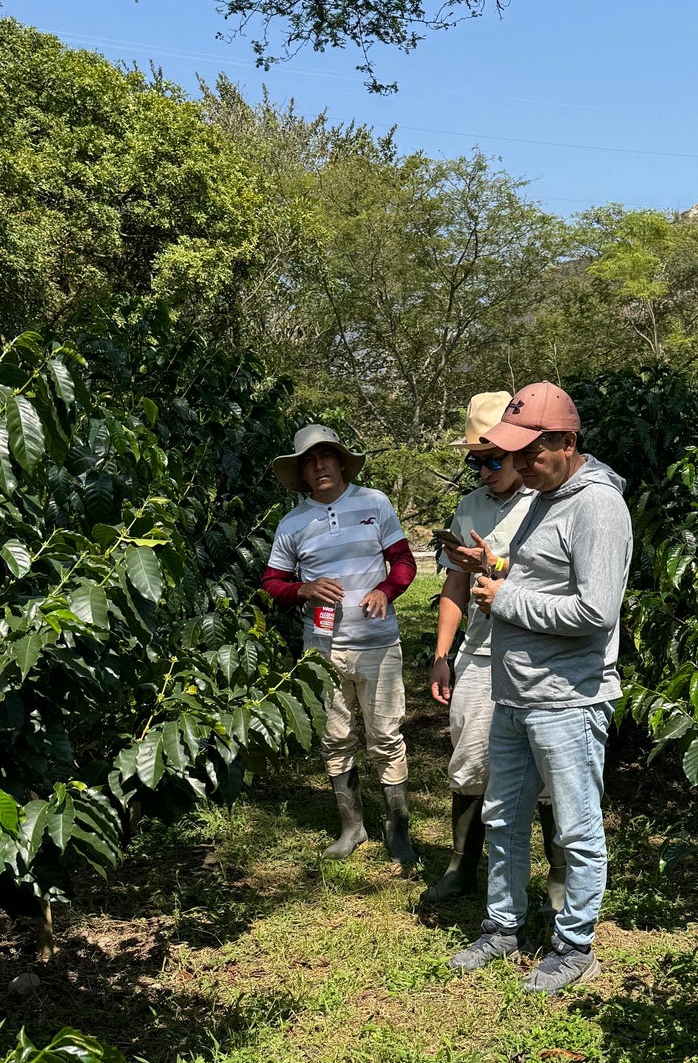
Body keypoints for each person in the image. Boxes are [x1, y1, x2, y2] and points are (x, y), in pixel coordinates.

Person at [448, 383, 632, 995]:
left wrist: (507, 597)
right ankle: (503, 926)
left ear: (567, 442)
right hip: (514, 691)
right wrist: (493, 570)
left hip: (568, 698)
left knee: (576, 827)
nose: (520, 466)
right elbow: (545, 579)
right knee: (503, 816)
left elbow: (596, 610)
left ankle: (574, 944)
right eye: (512, 454)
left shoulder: (598, 507)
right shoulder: (545, 499)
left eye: (530, 453)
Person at [422, 392, 566, 908]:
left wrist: (493, 568)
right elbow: (454, 588)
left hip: (538, 654)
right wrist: (443, 654)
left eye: (494, 459)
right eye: (476, 461)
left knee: (551, 769)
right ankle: (463, 866)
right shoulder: (469, 507)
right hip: (481, 655)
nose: (485, 471)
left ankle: (560, 878)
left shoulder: (546, 502)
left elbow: (553, 582)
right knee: (470, 762)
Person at [261, 423, 418, 865]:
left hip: (377, 644)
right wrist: (303, 590)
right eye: (309, 461)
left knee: (386, 734)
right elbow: (273, 582)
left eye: (326, 455)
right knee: (335, 736)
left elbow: (403, 561)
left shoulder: (374, 503)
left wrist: (385, 591)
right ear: (301, 473)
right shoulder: (293, 523)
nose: (319, 465)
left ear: (342, 461)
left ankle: (398, 827)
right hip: (323, 649)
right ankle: (352, 827)